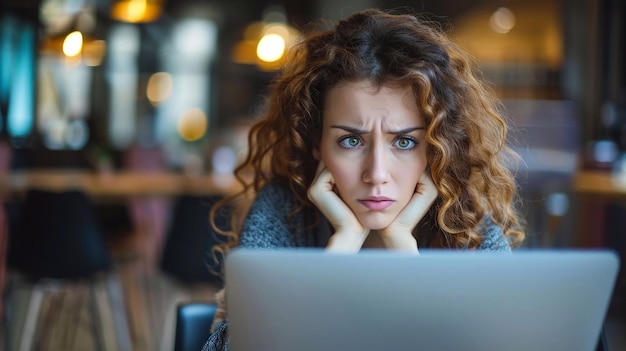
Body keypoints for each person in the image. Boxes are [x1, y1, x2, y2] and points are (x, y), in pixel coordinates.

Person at [202, 7, 525, 350]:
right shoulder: (283, 211)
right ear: (316, 144)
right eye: (351, 141)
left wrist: (406, 258)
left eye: (404, 142)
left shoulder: (468, 229)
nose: (376, 174)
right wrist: (339, 253)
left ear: (435, 148)